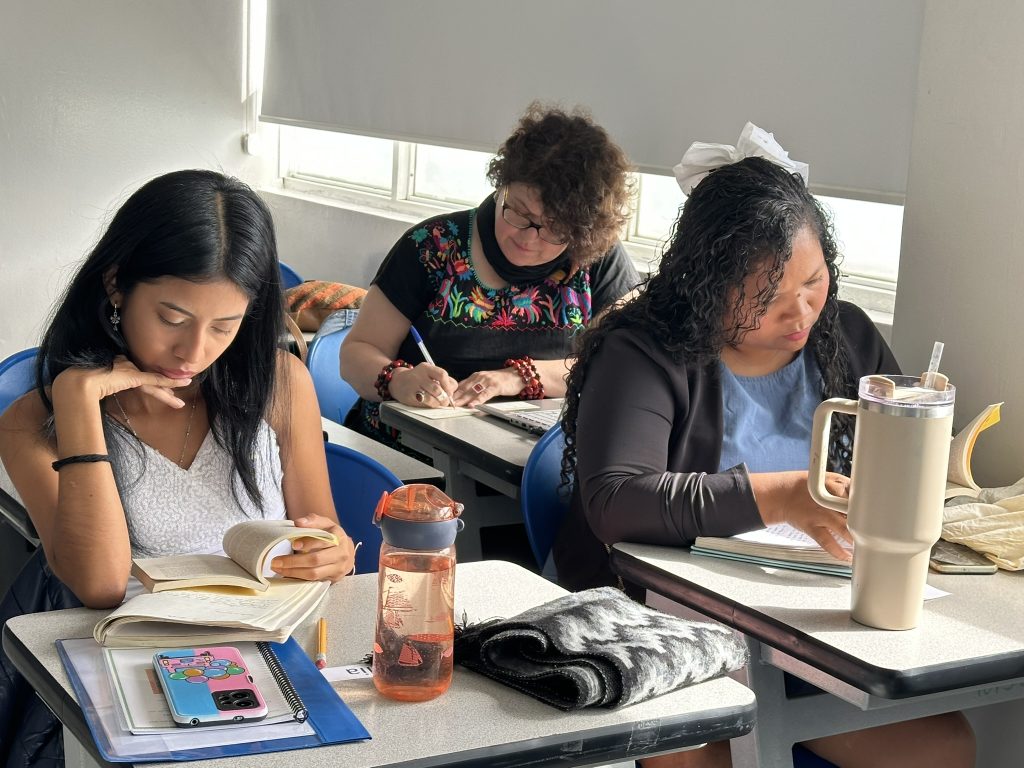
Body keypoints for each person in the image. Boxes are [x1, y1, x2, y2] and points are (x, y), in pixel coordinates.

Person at [555, 156, 975, 767]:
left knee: (942, 747)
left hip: (815, 628)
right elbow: (615, 501)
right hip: (667, 631)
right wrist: (781, 497)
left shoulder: (847, 337)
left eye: (814, 282)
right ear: (706, 286)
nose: (801, 312)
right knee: (695, 750)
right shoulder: (644, 352)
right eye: (770, 299)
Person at [0, 169, 356, 610]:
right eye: (172, 319)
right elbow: (100, 586)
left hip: (265, 635)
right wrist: (77, 403)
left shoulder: (280, 382)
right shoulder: (29, 422)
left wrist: (334, 555)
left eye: (223, 327)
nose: (193, 352)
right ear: (116, 285)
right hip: (126, 642)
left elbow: (320, 536)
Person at [340, 102, 640, 442]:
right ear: (502, 186)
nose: (528, 238)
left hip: (532, 450)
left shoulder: (597, 257)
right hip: (413, 449)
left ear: (583, 232)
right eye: (519, 212)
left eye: (555, 229)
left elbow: (623, 366)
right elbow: (356, 352)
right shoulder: (433, 246)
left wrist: (518, 377)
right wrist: (398, 380)